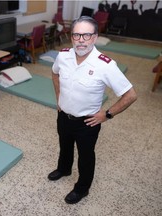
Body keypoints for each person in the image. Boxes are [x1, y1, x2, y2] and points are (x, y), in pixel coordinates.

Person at [49, 16, 137, 204]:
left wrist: (107, 114)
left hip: (87, 123)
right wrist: (59, 99)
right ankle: (64, 169)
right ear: (71, 37)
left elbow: (130, 95)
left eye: (86, 35)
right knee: (64, 146)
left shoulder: (105, 65)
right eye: (77, 35)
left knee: (86, 157)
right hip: (63, 116)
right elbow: (55, 75)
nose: (81, 39)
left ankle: (82, 188)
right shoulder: (63, 55)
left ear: (95, 37)